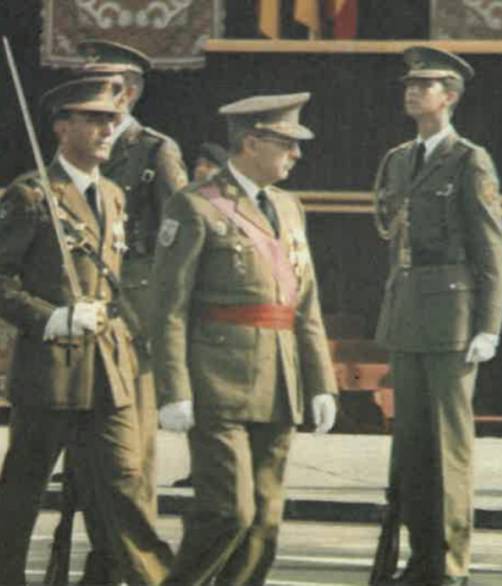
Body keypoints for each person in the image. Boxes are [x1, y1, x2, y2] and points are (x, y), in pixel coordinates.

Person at [150, 92, 338, 586]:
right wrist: (175, 390)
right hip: (218, 384)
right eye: (286, 143)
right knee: (228, 510)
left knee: (264, 522)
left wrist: (321, 383)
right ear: (251, 142)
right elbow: (168, 308)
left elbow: (306, 304)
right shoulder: (195, 205)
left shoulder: (289, 207)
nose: (296, 155)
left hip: (281, 381)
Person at [0, 76, 171, 585]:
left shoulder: (115, 195)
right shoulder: (31, 194)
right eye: (94, 119)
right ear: (61, 127)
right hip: (50, 372)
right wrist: (49, 316)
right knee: (22, 494)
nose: (106, 130)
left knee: (124, 487)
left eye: (112, 121)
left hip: (107, 368)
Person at [372, 46, 502, 586]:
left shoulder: (469, 159)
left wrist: (489, 325)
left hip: (453, 314)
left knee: (449, 449)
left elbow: (491, 248)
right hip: (409, 310)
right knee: (411, 447)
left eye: (425, 85)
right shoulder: (400, 159)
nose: (412, 91)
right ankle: (421, 556)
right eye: (409, 83)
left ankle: (450, 564)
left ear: (449, 97)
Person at [72, 39, 188, 583]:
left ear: (131, 92)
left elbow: (181, 239)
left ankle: (130, 568)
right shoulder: (72, 146)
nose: (95, 95)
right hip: (79, 316)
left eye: (108, 85)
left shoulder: (155, 150)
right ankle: (105, 563)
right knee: (87, 459)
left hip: (134, 320)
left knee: (130, 461)